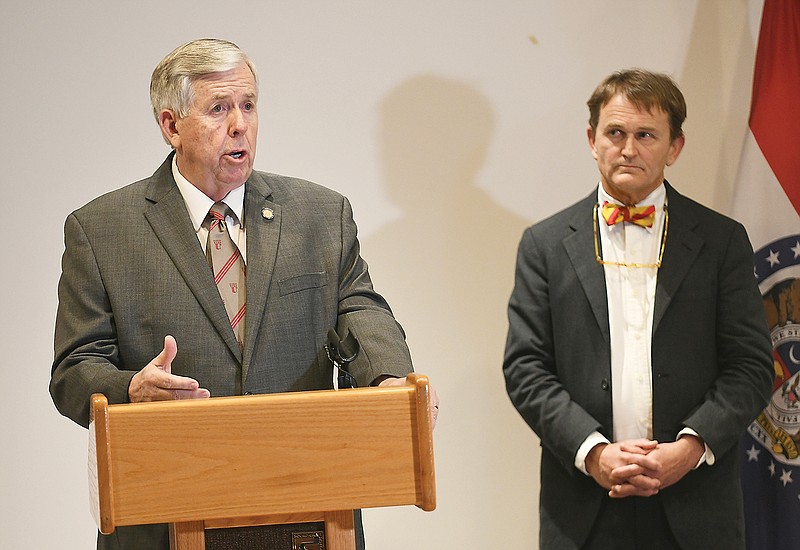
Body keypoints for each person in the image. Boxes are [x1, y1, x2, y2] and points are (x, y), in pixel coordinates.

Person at [50, 38, 436, 550]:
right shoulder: (101, 231)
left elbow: (356, 308)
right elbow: (75, 369)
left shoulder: (320, 215)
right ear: (171, 126)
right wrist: (130, 392)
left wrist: (390, 380)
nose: (240, 125)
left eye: (248, 106)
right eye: (218, 109)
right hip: (164, 518)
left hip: (308, 513)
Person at [503, 69, 773, 550]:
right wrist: (594, 452)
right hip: (583, 506)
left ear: (675, 148)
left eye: (646, 135)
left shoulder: (722, 241)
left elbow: (750, 365)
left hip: (696, 505)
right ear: (592, 139)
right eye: (615, 133)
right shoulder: (542, 245)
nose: (628, 149)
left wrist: (690, 449)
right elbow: (526, 368)